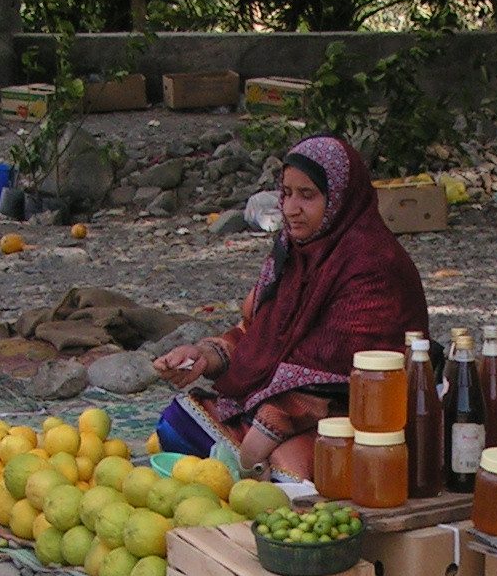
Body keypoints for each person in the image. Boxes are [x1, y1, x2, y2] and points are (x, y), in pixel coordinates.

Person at [151, 134, 429, 479]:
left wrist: (266, 429)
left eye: (307, 195)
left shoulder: (372, 264)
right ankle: (249, 462)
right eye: (286, 193)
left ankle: (257, 465)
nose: (290, 209)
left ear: (339, 197)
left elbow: (340, 376)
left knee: (288, 466)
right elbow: (256, 333)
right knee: (176, 423)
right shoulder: (293, 250)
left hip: (358, 409)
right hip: (281, 398)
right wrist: (204, 356)